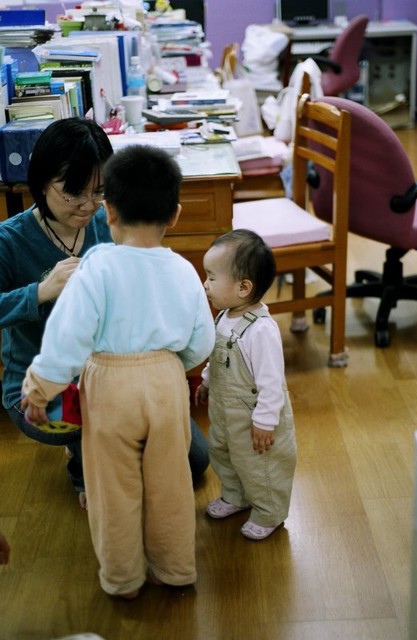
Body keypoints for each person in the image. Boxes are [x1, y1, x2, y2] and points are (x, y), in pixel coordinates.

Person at [21, 145, 216, 598]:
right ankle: (174, 569)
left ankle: (123, 578)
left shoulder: (97, 267)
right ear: (175, 215)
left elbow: (69, 335)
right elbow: (202, 340)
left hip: (110, 384)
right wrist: (173, 366)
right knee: (170, 484)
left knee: (113, 489)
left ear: (108, 212)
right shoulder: (183, 270)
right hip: (166, 383)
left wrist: (40, 387)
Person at [0, 117, 209, 509]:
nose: (86, 206)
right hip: (44, 384)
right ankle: (84, 461)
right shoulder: (10, 240)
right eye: (72, 193)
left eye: (98, 192)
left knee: (195, 460)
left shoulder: (110, 222)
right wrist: (40, 292)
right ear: (41, 182)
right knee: (107, 448)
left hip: (119, 376)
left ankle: (111, 447)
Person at [195, 229, 297, 541]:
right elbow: (218, 359)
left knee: (258, 465)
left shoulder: (261, 330)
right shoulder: (224, 317)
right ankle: (235, 495)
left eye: (212, 277)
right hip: (224, 411)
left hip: (253, 418)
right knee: (223, 454)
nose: (205, 284)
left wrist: (265, 421)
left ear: (243, 287)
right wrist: (207, 380)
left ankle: (269, 511)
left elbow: (272, 384)